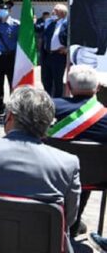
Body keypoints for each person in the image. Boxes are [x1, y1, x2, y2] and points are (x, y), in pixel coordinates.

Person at [0, 86, 80, 252]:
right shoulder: (68, 164)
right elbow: (68, 219)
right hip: (39, 245)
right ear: (48, 123)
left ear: (10, 116)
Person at [50, 64, 106, 237]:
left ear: (69, 86)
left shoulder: (50, 107)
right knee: (85, 169)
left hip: (53, 175)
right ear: (97, 88)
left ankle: (60, 221)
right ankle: (73, 222)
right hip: (98, 178)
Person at [0, 0, 19, 115]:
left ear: (10, 10)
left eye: (6, 8)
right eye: (1, 8)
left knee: (12, 83)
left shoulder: (17, 24)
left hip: (10, 57)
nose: (3, 10)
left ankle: (13, 107)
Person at [42, 3, 69, 98]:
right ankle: (47, 101)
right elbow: (40, 29)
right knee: (46, 80)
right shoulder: (50, 23)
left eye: (55, 10)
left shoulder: (68, 24)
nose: (53, 12)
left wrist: (67, 49)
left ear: (62, 13)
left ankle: (58, 102)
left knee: (57, 81)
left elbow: (74, 39)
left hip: (59, 57)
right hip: (47, 55)